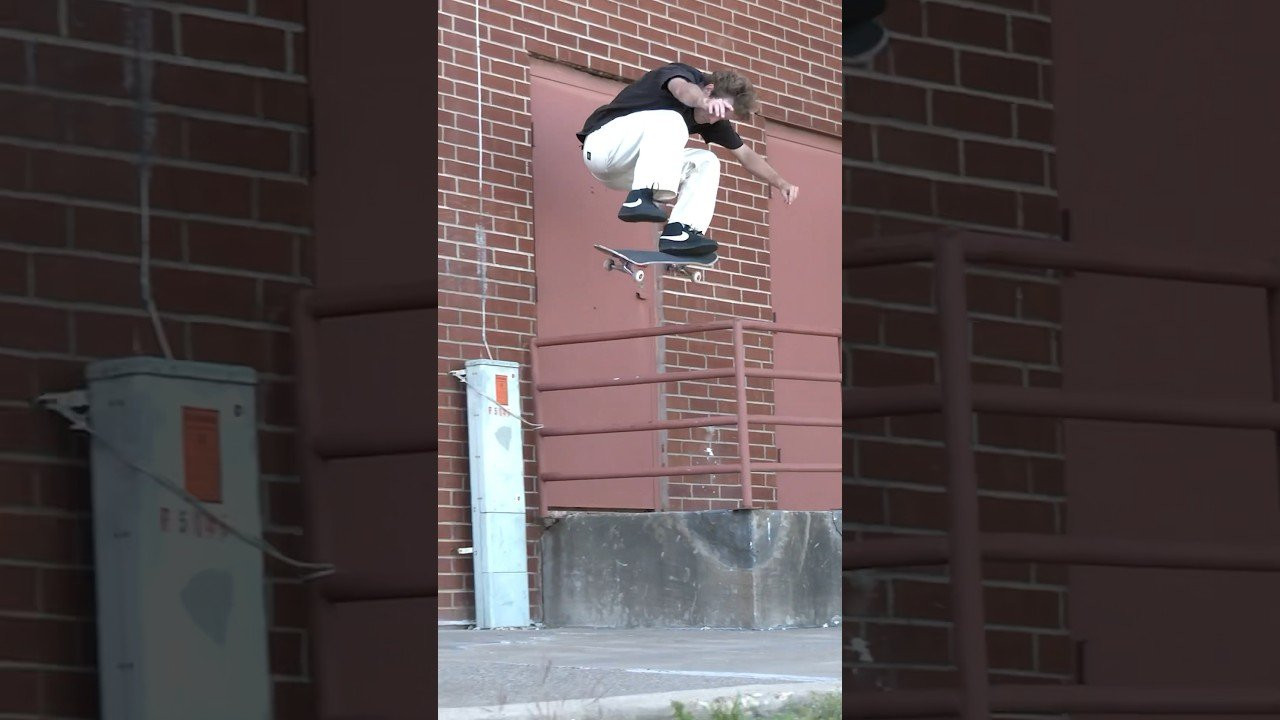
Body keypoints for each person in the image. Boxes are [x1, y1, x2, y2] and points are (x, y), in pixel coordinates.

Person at [576, 63, 800, 256]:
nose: (714, 119)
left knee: (706, 161)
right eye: (716, 109)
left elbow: (746, 155)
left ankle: (680, 232)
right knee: (672, 120)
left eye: (722, 116)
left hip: (625, 172)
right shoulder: (680, 74)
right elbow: (683, 90)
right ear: (709, 90)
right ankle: (639, 199)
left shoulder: (714, 122)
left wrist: (781, 182)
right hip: (602, 146)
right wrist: (702, 101)